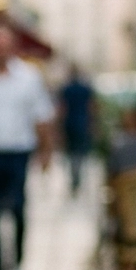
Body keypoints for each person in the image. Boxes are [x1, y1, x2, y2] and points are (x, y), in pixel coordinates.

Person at [0, 21, 53, 270]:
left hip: (18, 153)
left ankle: (18, 265)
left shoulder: (29, 77)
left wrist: (46, 151)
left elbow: (42, 116)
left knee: (19, 210)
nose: (1, 50)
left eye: (5, 44)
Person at [59, 64, 95, 193]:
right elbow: (91, 107)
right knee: (80, 152)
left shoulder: (66, 89)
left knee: (72, 152)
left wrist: (60, 127)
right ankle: (77, 175)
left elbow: (63, 108)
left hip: (70, 124)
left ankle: (74, 175)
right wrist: (93, 124)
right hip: (82, 123)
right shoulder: (85, 89)